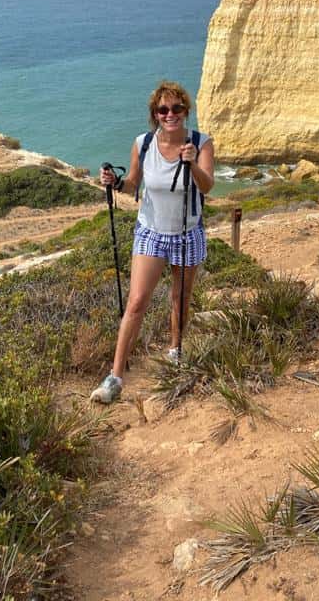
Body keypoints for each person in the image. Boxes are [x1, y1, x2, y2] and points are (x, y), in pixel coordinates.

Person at [90, 80, 215, 404]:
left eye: (176, 108)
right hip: (151, 231)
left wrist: (190, 163)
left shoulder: (201, 143)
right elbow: (133, 184)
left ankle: (175, 350)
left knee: (180, 299)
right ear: (155, 114)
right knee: (136, 302)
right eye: (163, 109)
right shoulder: (143, 144)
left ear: (186, 111)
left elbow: (206, 186)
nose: (170, 114)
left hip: (188, 232)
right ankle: (115, 377)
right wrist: (116, 182)